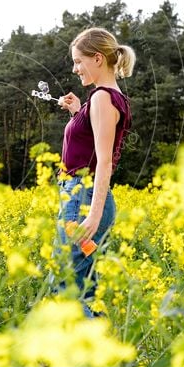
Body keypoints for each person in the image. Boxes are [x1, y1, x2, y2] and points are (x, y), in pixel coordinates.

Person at [55, 27, 134, 317]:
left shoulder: (102, 97)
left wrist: (94, 214)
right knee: (84, 286)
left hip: (83, 200)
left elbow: (103, 161)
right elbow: (92, 144)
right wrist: (78, 112)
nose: (75, 68)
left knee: (68, 285)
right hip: (83, 198)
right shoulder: (110, 97)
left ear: (98, 58)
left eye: (79, 61)